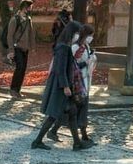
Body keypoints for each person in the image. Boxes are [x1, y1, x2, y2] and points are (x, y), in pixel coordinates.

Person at [31, 19, 92, 151]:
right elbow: (60, 69)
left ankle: (76, 143)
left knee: (72, 112)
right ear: (72, 33)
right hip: (60, 86)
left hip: (64, 84)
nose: (78, 36)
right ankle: (37, 141)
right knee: (54, 114)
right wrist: (65, 86)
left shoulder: (65, 46)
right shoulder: (63, 48)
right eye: (77, 33)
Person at [6, 0, 35, 98]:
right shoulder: (15, 19)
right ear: (25, 7)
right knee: (20, 67)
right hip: (17, 47)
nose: (30, 9)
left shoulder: (28, 19)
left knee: (23, 69)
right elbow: (9, 35)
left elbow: (31, 34)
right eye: (29, 7)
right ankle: (13, 89)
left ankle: (17, 90)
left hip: (25, 48)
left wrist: (32, 47)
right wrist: (11, 50)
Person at [74, 24, 97, 144]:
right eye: (90, 35)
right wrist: (86, 62)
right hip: (78, 81)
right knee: (75, 109)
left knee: (83, 108)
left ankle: (83, 134)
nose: (91, 38)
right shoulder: (76, 47)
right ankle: (55, 129)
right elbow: (74, 64)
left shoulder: (86, 46)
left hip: (86, 81)